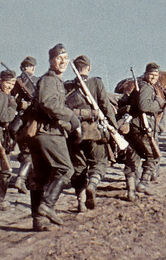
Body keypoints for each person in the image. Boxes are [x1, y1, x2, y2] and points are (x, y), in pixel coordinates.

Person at [28, 44, 80, 231]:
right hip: (48, 132)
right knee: (66, 169)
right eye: (59, 58)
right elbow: (48, 103)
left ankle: (38, 220)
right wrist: (71, 117)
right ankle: (47, 205)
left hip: (40, 133)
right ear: (50, 60)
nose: (63, 61)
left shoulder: (55, 80)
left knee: (40, 176)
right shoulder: (50, 80)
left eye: (66, 58)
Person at [64, 55, 117, 212]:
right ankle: (92, 185)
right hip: (94, 132)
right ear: (89, 68)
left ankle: (80, 203)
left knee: (78, 167)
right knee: (99, 163)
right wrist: (113, 127)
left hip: (74, 133)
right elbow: (105, 107)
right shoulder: (96, 82)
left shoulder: (67, 86)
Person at [124, 62, 166, 201]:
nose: (154, 78)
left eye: (156, 75)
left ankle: (130, 191)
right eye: (151, 75)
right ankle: (143, 183)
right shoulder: (147, 87)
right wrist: (159, 103)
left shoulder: (140, 86)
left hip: (132, 126)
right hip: (142, 126)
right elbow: (144, 106)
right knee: (153, 156)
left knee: (132, 157)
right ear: (146, 74)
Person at [0, 69, 18, 210]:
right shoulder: (1, 96)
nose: (10, 86)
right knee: (5, 171)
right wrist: (13, 106)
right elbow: (3, 117)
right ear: (0, 81)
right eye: (7, 82)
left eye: (12, 83)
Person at [11, 56, 38, 194]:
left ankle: (29, 181)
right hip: (30, 122)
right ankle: (21, 179)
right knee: (31, 153)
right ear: (32, 67)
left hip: (18, 122)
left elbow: (11, 99)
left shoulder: (16, 81)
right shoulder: (36, 80)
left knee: (25, 151)